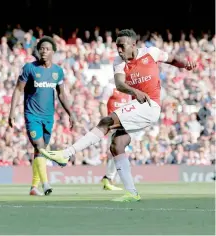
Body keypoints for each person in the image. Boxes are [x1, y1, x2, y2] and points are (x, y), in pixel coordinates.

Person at [40, 29, 196, 202]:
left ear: (133, 45)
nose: (119, 51)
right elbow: (120, 84)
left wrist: (187, 64)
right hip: (139, 106)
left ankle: (67, 154)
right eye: (117, 47)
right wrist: (134, 91)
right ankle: (131, 192)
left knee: (106, 121)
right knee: (117, 144)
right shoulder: (119, 62)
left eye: (122, 46)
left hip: (151, 105)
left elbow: (172, 59)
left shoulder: (151, 53)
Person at [8, 36, 74, 196]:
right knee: (40, 147)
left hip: (48, 117)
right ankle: (46, 184)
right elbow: (18, 90)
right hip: (32, 116)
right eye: (41, 49)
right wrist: (12, 111)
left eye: (47, 49)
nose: (43, 51)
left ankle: (33, 187)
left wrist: (70, 113)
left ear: (53, 52)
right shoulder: (29, 68)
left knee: (40, 151)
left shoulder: (57, 72)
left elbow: (62, 95)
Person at [99, 80, 131, 191]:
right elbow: (102, 104)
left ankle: (108, 179)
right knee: (118, 150)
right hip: (113, 124)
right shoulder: (110, 87)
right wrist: (105, 122)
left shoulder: (128, 89)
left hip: (124, 125)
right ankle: (108, 178)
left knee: (118, 152)